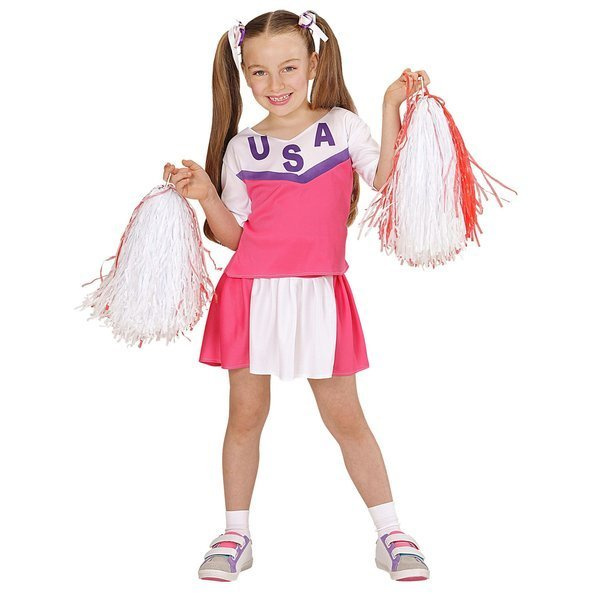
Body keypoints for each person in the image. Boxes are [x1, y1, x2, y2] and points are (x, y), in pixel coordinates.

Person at [163, 9, 431, 582]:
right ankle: (235, 533)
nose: (275, 83)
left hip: (318, 293)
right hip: (251, 293)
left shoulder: (342, 126)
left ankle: (391, 532)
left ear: (313, 64)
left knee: (346, 417)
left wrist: (391, 104)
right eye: (259, 72)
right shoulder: (242, 147)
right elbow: (235, 238)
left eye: (288, 67)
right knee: (245, 416)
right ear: (244, 75)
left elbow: (384, 180)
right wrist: (206, 196)